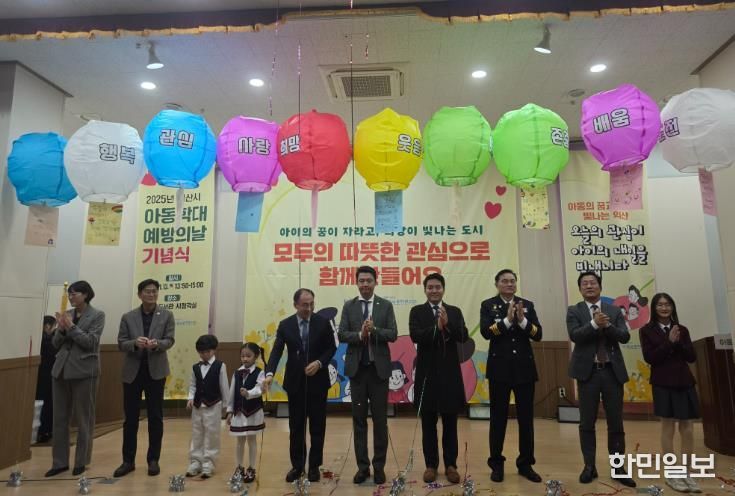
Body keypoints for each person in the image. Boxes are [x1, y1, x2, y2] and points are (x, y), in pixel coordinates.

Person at [567, 271, 636, 488]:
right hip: (588, 374)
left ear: (600, 286)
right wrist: (594, 324)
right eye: (585, 283)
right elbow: (575, 336)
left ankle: (618, 468)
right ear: (580, 289)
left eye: (593, 283)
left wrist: (608, 326)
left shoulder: (614, 310)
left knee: (615, 423)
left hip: (611, 372)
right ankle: (589, 467)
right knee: (587, 422)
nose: (589, 286)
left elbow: (625, 336)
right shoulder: (574, 310)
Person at [264, 288, 337, 483]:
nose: (309, 308)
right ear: (295, 305)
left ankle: (314, 466)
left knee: (317, 427)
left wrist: (319, 363)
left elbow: (331, 348)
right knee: (296, 427)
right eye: (305, 305)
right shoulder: (285, 325)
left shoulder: (322, 322)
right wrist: (269, 373)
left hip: (318, 382)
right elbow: (277, 350)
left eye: (312, 304)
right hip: (295, 383)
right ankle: (297, 466)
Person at [480, 269, 543, 483]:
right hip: (500, 370)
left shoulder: (527, 305)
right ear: (497, 284)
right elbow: (486, 332)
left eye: (512, 281)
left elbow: (538, 334)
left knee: (526, 419)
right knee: (498, 419)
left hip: (524, 370)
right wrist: (507, 320)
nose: (509, 284)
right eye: (505, 281)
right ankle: (496, 464)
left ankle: (525, 464)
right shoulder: (488, 305)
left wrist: (523, 321)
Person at [338, 265, 398, 485]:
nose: (365, 284)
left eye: (369, 280)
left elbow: (393, 334)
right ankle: (362, 468)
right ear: (357, 283)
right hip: (357, 372)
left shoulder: (385, 305)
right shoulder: (349, 306)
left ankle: (379, 467)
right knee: (359, 421)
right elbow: (342, 334)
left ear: (375, 282)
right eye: (361, 281)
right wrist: (359, 334)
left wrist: (374, 330)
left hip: (378, 372)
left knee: (380, 422)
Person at [409, 273, 468, 485]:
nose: (434, 291)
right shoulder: (417, 311)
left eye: (437, 287)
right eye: (430, 287)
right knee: (428, 424)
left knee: (450, 423)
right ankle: (431, 465)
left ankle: (451, 465)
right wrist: (437, 328)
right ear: (425, 290)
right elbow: (416, 335)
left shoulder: (454, 311)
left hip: (450, 375)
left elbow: (464, 336)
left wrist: (448, 324)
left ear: (443, 289)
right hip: (427, 375)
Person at [639, 293, 700, 493]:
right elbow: (650, 358)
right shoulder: (646, 330)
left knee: (687, 428)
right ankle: (672, 474)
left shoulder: (682, 329)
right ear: (654, 308)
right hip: (663, 383)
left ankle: (686, 472)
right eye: (660, 305)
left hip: (684, 382)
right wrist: (669, 342)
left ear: (672, 307)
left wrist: (679, 341)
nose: (664, 308)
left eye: (668, 304)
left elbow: (691, 357)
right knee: (668, 428)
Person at [114, 279, 176, 478]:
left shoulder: (166, 315)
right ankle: (128, 461)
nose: (152, 294)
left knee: (155, 417)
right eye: (148, 291)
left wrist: (157, 344)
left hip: (155, 372)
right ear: (140, 294)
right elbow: (121, 343)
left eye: (155, 291)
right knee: (130, 418)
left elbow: (170, 340)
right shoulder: (128, 317)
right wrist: (135, 343)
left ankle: (153, 460)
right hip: (133, 372)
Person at [45, 281, 105, 477]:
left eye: (75, 294)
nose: (71, 297)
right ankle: (59, 462)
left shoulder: (97, 315)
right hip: (61, 370)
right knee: (59, 419)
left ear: (85, 295)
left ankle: (81, 461)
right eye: (69, 294)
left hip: (85, 371)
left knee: (84, 418)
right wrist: (62, 329)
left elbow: (91, 342)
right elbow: (55, 343)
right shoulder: (67, 314)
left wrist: (71, 327)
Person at [185, 335, 230, 479]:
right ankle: (195, 461)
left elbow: (224, 386)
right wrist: (190, 398)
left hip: (213, 405)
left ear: (214, 350)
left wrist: (228, 407)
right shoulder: (195, 367)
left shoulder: (220, 366)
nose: (204, 355)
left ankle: (209, 463)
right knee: (196, 434)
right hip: (198, 406)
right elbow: (193, 385)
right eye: (201, 352)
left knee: (212, 434)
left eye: (207, 352)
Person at [227, 342, 267, 484]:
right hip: (239, 413)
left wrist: (248, 393)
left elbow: (260, 389)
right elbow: (232, 393)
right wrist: (229, 411)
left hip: (253, 412)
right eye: (242, 356)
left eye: (248, 356)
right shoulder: (236, 373)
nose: (245, 358)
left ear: (255, 356)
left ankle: (251, 468)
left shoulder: (260, 372)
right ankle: (239, 467)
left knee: (252, 440)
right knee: (239, 441)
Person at [35, 315, 57, 443]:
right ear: (48, 326)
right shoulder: (48, 341)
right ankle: (45, 432)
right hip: (48, 377)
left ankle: (39, 431)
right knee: (48, 404)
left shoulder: (39, 338)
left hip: (40, 376)